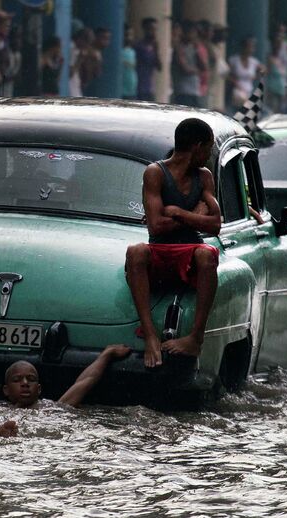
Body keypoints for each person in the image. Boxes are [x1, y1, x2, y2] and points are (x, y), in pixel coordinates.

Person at [125, 118, 221, 368]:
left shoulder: (204, 176)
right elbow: (156, 225)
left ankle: (195, 338)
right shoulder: (155, 172)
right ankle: (149, 335)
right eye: (208, 148)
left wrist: (178, 213)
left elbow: (215, 224)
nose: (208, 154)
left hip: (191, 250)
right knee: (135, 252)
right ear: (197, 146)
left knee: (207, 255)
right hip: (160, 248)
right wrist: (196, 216)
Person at [0, 344, 132, 437]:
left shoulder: (54, 407)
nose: (25, 383)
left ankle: (1, 435)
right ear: (6, 390)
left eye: (31, 380)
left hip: (37, 431)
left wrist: (106, 354)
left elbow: (85, 382)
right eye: (17, 380)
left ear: (39, 389)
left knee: (5, 429)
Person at [172, 21, 205, 107]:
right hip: (183, 90)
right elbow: (185, 69)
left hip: (194, 89)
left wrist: (197, 50)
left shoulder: (193, 47)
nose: (194, 36)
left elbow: (203, 67)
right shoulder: (179, 47)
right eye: (192, 33)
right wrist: (197, 71)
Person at [228, 36, 265, 111]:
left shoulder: (253, 62)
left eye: (252, 47)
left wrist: (255, 76)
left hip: (249, 91)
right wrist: (234, 82)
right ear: (243, 47)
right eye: (248, 47)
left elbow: (264, 70)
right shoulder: (234, 60)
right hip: (236, 92)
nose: (250, 49)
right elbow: (226, 74)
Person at [135, 17, 162, 101]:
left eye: (155, 29)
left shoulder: (154, 47)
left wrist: (156, 51)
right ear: (145, 29)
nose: (153, 32)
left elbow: (160, 67)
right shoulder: (138, 45)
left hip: (149, 87)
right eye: (151, 29)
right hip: (138, 87)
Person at [121, 24, 138, 100]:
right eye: (126, 35)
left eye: (131, 35)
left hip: (132, 90)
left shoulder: (132, 51)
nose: (129, 38)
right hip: (121, 90)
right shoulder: (119, 51)